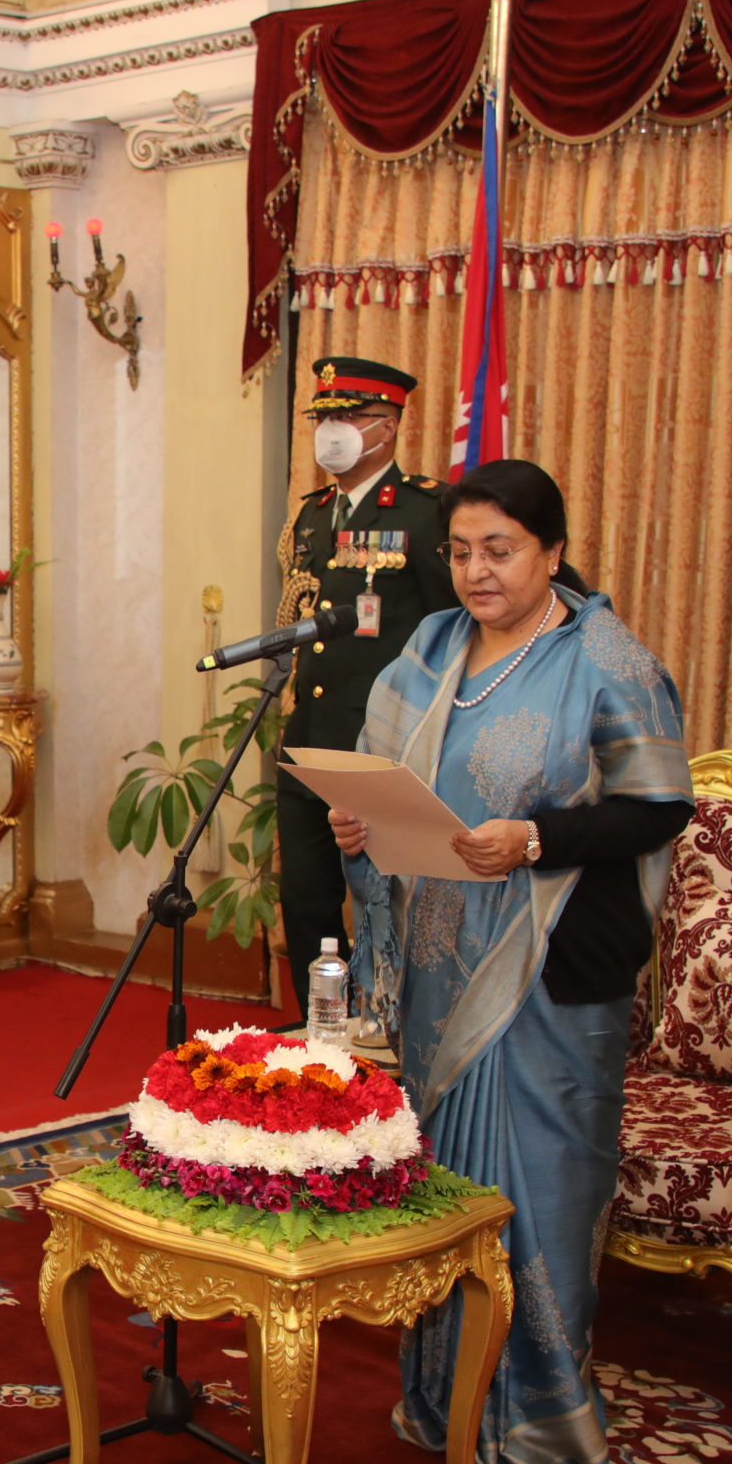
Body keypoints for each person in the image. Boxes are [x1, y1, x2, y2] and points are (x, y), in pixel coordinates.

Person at [330, 458, 692, 1464]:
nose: (477, 573)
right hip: (439, 968)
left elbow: (660, 805)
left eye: (500, 550)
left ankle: (540, 1415)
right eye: (460, 553)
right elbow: (383, 778)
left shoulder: (607, 660)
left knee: (540, 1195)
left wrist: (536, 839)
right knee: (444, 1187)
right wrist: (359, 823)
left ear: (552, 552)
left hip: (550, 976)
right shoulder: (429, 648)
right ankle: (441, 1399)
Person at [270, 357, 455, 1012]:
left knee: (384, 900)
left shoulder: (427, 512)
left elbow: (452, 630)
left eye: (350, 416)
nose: (333, 431)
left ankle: (387, 1026)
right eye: (325, 417)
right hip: (311, 733)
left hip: (382, 743)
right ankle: (319, 1028)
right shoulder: (313, 516)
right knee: (306, 896)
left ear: (388, 425)